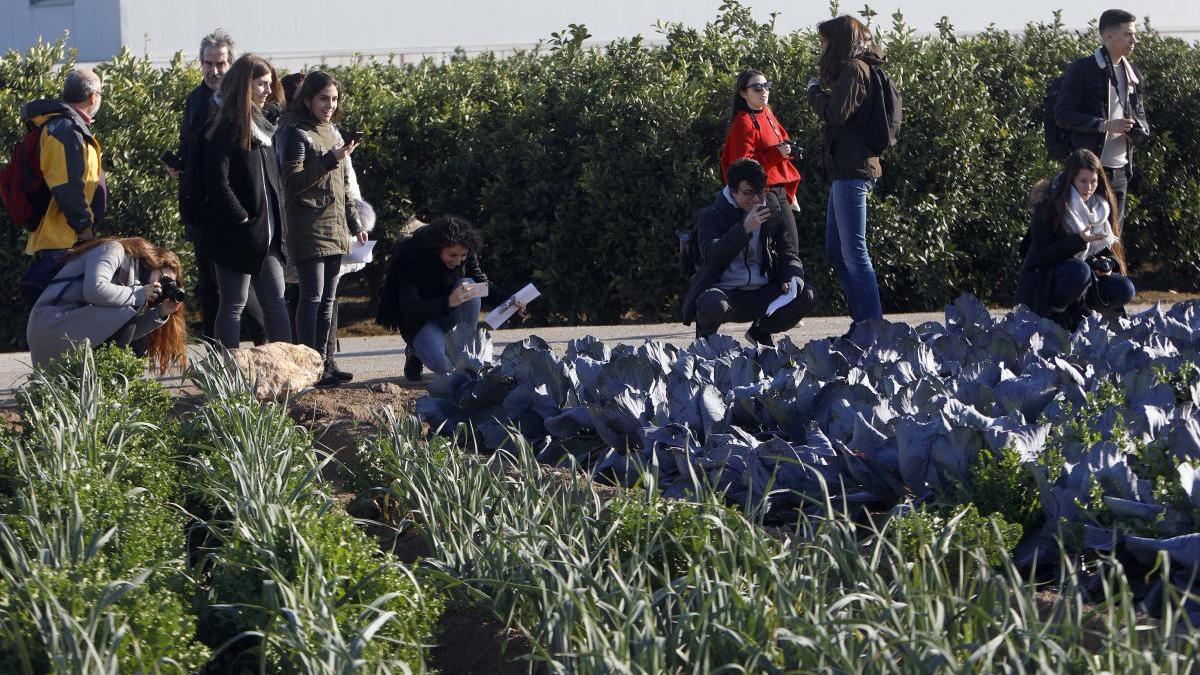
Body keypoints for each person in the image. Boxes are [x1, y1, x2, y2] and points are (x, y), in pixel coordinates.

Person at [173, 29, 268, 344]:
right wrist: (183, 170)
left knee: (248, 286)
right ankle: (221, 359)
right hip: (205, 209)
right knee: (212, 285)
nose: (214, 71)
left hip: (243, 208)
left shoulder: (247, 99)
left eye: (220, 64)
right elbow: (192, 148)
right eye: (208, 64)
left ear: (232, 63)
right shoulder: (195, 100)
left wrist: (242, 212)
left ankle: (264, 345)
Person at [277, 71, 366, 387]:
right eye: (324, 98)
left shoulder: (333, 131)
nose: (330, 105)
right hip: (308, 225)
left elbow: (343, 184)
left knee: (329, 300)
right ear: (308, 100)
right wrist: (330, 159)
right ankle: (309, 366)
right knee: (311, 297)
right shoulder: (294, 133)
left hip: (335, 226)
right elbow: (292, 182)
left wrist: (355, 224)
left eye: (334, 99)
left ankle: (326, 364)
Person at [203, 54, 293, 350]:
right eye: (261, 84)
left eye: (270, 84)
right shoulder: (226, 128)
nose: (268, 90)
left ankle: (289, 373)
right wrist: (241, 217)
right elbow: (217, 182)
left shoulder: (266, 130)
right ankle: (226, 374)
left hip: (267, 236)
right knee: (233, 304)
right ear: (244, 85)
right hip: (236, 235)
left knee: (276, 302)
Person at [681, 158, 815, 346]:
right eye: (749, 193)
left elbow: (788, 252)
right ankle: (704, 342)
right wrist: (744, 229)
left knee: (806, 294)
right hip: (726, 294)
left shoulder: (770, 210)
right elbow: (711, 258)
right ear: (733, 191)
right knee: (711, 304)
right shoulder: (711, 216)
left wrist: (792, 276)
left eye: (761, 192)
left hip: (762, 292)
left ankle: (760, 332)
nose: (756, 200)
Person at [805, 15, 885, 325]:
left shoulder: (855, 69)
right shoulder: (854, 70)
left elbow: (836, 113)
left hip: (853, 171)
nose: (822, 46)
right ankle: (863, 321)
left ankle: (872, 327)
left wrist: (814, 92)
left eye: (824, 41)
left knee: (854, 252)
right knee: (837, 250)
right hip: (846, 170)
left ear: (836, 42)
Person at [377, 215, 519, 380]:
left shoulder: (465, 251)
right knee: (445, 366)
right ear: (437, 248)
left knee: (469, 284)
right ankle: (415, 351)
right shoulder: (410, 256)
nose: (458, 262)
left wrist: (511, 303)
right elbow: (410, 309)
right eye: (452, 255)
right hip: (417, 320)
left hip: (449, 312)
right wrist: (448, 302)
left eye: (463, 256)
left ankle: (465, 351)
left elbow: (483, 285)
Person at [1016, 149, 1135, 330]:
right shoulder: (1050, 206)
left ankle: (1089, 315)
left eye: (1093, 182)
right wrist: (1078, 241)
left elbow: (1110, 251)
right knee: (1079, 271)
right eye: (1083, 181)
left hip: (1086, 277)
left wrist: (1108, 264)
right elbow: (1039, 256)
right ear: (1071, 180)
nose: (1088, 188)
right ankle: (1057, 316)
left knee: (1125, 288)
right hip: (1046, 280)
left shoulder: (1101, 207)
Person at [26, 237, 187, 371]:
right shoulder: (113, 249)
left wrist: (161, 313)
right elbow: (94, 290)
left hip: (66, 331)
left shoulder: (135, 283)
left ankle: (97, 388)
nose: (162, 285)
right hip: (51, 325)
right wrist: (137, 294)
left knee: (134, 327)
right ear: (155, 261)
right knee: (127, 309)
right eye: (164, 279)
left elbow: (125, 331)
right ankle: (105, 385)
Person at [18, 69, 106, 305]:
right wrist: (84, 227)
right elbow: (66, 186)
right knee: (62, 316)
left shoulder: (68, 127)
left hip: (65, 239)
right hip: (62, 241)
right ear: (93, 97)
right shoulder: (64, 129)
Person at [1053, 8, 1149, 226]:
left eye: (1134, 34)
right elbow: (1062, 114)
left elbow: (1139, 113)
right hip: (1089, 171)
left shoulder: (1132, 73)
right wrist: (1104, 125)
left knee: (1114, 238)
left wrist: (1141, 128)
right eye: (1128, 34)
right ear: (1108, 36)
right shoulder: (1082, 70)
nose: (1134, 39)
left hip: (1121, 169)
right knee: (1087, 236)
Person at [719, 69, 802, 222]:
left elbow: (781, 137)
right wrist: (777, 154)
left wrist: (789, 149)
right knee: (784, 242)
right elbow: (742, 166)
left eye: (766, 85)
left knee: (788, 242)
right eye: (757, 87)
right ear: (744, 93)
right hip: (761, 192)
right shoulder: (743, 123)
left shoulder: (766, 112)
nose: (764, 90)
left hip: (779, 187)